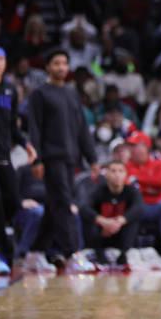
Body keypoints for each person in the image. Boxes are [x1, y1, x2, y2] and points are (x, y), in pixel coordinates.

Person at [28, 48, 100, 273]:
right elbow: (34, 129)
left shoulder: (71, 94)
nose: (61, 67)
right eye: (56, 63)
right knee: (64, 204)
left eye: (64, 63)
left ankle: (35, 253)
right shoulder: (40, 94)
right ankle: (72, 254)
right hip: (51, 158)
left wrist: (92, 158)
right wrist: (36, 159)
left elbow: (82, 129)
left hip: (71, 158)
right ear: (47, 67)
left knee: (54, 206)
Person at [0, 47, 37, 274]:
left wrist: (25, 144)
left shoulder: (10, 90)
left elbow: (13, 126)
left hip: (4, 156)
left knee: (13, 201)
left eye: (1, 59)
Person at [80, 161, 143, 268]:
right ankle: (99, 255)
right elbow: (84, 208)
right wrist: (103, 221)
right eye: (113, 171)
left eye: (120, 171)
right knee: (88, 220)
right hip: (102, 234)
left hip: (122, 233)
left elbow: (139, 208)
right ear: (106, 174)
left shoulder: (132, 191)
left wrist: (120, 221)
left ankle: (124, 254)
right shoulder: (98, 191)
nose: (117, 175)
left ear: (126, 174)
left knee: (134, 220)